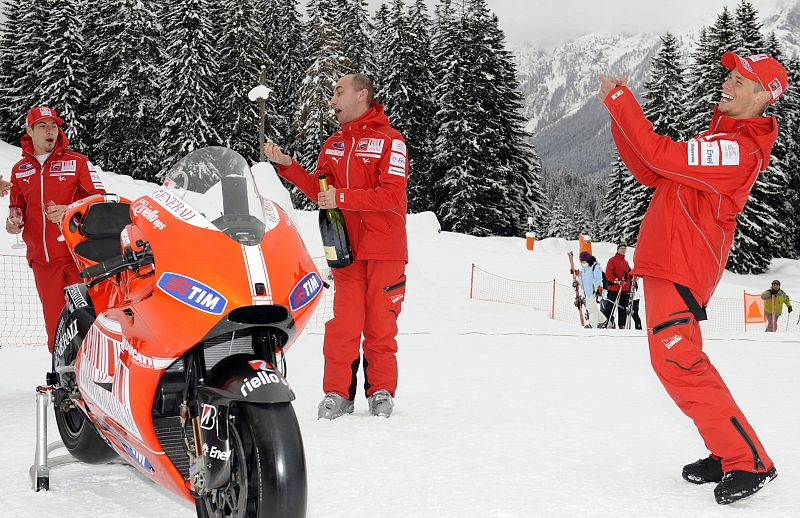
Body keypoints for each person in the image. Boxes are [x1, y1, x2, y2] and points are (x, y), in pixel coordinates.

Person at [599, 51, 787, 504]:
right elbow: (650, 169)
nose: (728, 83)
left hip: (681, 265)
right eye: (729, 75)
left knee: (680, 362)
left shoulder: (737, 150)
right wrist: (617, 112)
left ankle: (749, 460)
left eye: (741, 80)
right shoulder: (719, 137)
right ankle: (727, 451)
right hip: (668, 261)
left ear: (764, 95)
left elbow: (658, 152)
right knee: (677, 363)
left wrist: (624, 101)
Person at [263, 73, 407, 419]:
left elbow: (391, 194)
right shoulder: (333, 145)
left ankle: (381, 392)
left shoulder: (392, 142)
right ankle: (337, 394)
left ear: (363, 95)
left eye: (339, 92)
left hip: (385, 250)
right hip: (344, 250)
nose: (332, 100)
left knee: (380, 325)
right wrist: (288, 167)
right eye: (331, 94)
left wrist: (340, 196)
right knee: (344, 325)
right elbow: (320, 193)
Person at [2, 106, 106, 352]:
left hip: (77, 257)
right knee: (56, 324)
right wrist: (12, 220)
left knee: (88, 318)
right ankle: (62, 379)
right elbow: (17, 206)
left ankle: (97, 376)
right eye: (43, 126)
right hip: (43, 261)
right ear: (30, 131)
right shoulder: (20, 170)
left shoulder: (78, 162)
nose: (51, 131)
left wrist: (69, 209)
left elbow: (100, 200)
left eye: (54, 125)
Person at [600, 241, 631, 329]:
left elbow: (628, 274)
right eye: (621, 248)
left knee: (622, 308)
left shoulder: (625, 262)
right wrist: (617, 281)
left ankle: (622, 325)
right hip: (613, 289)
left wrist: (630, 277)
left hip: (624, 289)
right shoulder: (612, 260)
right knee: (610, 307)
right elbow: (609, 275)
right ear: (617, 249)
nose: (623, 250)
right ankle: (604, 323)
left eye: (624, 249)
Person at [577, 251, 603, 328]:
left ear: (589, 260)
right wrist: (578, 274)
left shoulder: (595, 266)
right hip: (586, 292)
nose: (583, 262)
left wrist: (599, 289)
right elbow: (584, 279)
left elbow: (598, 279)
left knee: (592, 309)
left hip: (593, 291)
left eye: (585, 261)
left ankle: (592, 325)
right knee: (591, 308)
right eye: (582, 261)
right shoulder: (584, 267)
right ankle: (603, 321)